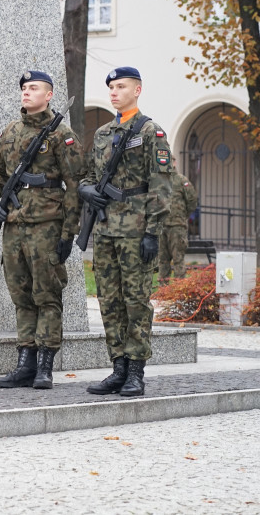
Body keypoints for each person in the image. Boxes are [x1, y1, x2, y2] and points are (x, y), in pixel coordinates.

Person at [0, 71, 85, 390]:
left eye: (34, 88)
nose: (27, 92)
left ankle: (45, 365)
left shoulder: (61, 135)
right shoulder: (11, 130)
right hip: (13, 226)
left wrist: (68, 233)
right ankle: (24, 363)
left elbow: (75, 185)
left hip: (47, 225)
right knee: (22, 296)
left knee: (47, 296)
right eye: (24, 88)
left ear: (49, 94)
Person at [81, 67, 172, 397]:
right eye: (111, 87)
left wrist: (153, 231)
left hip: (136, 230)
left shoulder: (150, 132)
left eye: (121, 86)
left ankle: (136, 371)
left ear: (138, 90)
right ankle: (118, 368)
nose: (114, 92)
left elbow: (162, 185)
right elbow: (89, 175)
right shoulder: (104, 133)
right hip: (106, 230)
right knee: (110, 302)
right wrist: (86, 190)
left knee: (135, 302)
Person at [158, 157, 198, 284]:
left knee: (178, 259)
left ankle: (178, 289)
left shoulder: (181, 180)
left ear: (174, 163)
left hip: (177, 226)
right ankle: (163, 290)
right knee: (162, 260)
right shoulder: (159, 180)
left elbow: (192, 201)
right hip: (161, 225)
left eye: (170, 161)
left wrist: (183, 216)